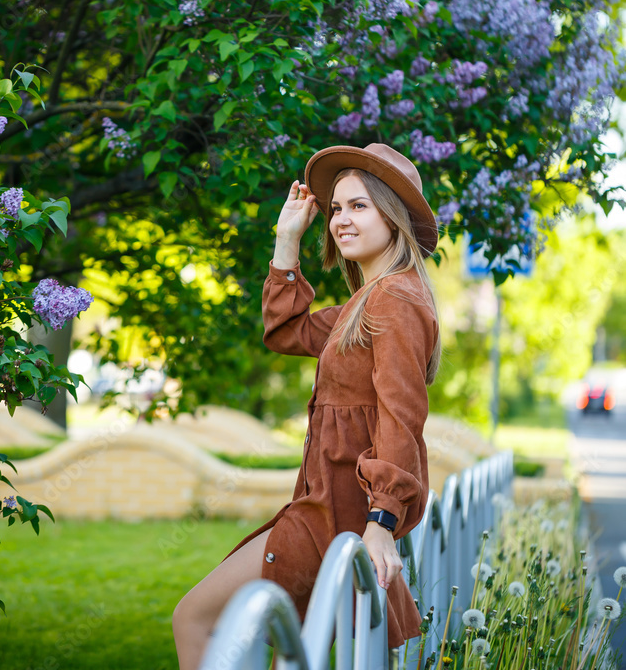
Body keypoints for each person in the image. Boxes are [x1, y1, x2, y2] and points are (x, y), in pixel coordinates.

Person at [172, 142, 441, 669]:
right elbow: (286, 330)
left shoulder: (395, 301)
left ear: (394, 215)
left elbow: (401, 417)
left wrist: (381, 520)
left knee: (197, 619)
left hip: (339, 518)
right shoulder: (365, 302)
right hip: (325, 510)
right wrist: (285, 240)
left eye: (359, 206)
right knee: (289, 654)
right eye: (337, 208)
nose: (341, 219)